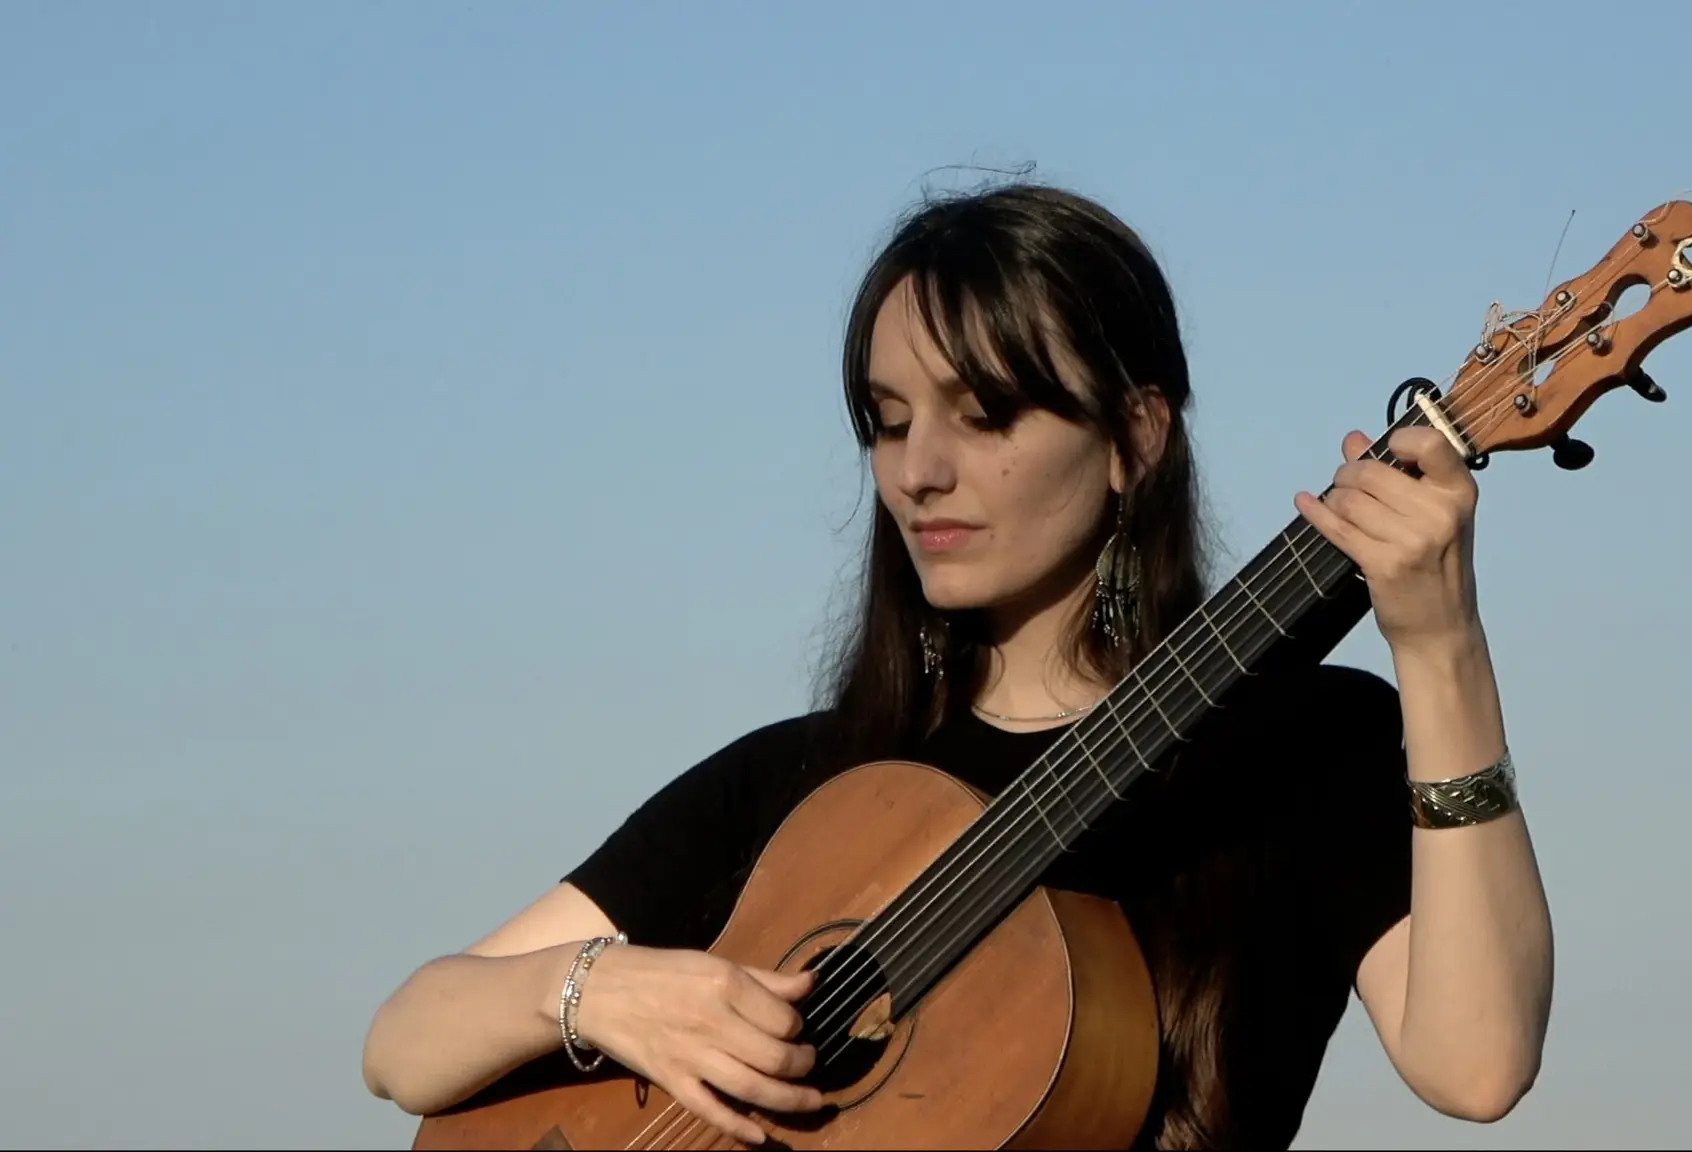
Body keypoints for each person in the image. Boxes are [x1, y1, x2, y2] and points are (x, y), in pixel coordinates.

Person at [361, 181, 1554, 1149]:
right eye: (887, 420)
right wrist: (596, 991)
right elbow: (405, 1043)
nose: (918, 470)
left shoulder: (1299, 746)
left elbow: (1476, 1064)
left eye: (982, 413)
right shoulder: (808, 789)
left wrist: (1442, 651)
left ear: (1135, 434)